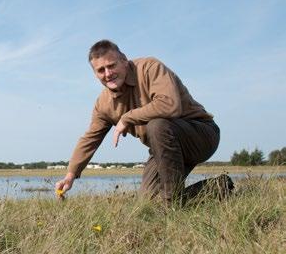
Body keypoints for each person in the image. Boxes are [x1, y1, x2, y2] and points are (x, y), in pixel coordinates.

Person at [55, 40, 233, 204]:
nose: (108, 74)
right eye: (101, 70)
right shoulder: (103, 103)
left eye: (111, 65)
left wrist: (127, 117)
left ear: (124, 60)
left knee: (157, 125)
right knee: (147, 202)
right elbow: (90, 138)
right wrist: (71, 175)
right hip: (164, 149)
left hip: (200, 135)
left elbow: (170, 105)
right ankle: (219, 186)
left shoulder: (149, 67)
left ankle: (171, 206)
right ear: (95, 74)